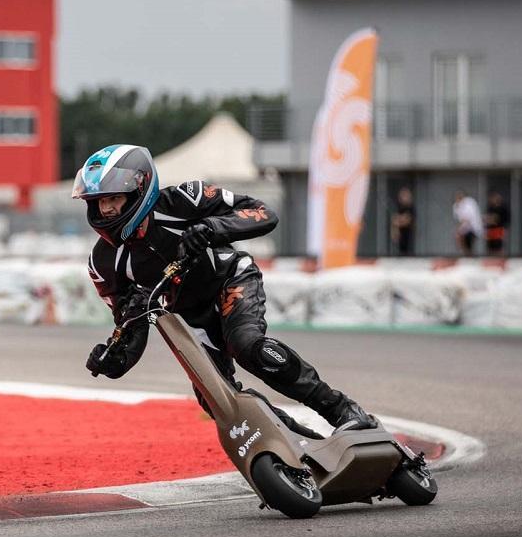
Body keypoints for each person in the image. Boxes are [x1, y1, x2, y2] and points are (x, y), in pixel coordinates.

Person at [73, 143, 377, 436]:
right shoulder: (101, 264)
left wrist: (211, 229)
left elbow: (262, 212)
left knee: (247, 346)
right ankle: (299, 443)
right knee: (215, 397)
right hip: (191, 320)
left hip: (230, 280)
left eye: (114, 198)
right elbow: (130, 326)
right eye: (100, 201)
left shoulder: (183, 199)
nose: (107, 210)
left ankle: (343, 410)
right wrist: (116, 361)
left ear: (140, 189)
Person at [452, 190, 483, 257]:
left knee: (468, 243)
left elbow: (468, 219)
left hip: (473, 228)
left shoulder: (469, 203)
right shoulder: (456, 206)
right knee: (463, 241)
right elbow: (459, 219)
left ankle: (469, 256)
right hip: (465, 228)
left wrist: (458, 230)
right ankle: (465, 254)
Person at [484, 191, 510, 256]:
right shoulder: (490, 207)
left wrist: (495, 220)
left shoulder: (503, 208)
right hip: (491, 230)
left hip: (499, 229)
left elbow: (505, 219)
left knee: (499, 245)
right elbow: (488, 218)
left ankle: (500, 259)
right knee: (490, 246)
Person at [391, 187, 416, 256]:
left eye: (405, 195)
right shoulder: (399, 208)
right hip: (400, 244)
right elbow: (394, 222)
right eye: (401, 195)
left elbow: (406, 220)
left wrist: (397, 220)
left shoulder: (411, 208)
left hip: (410, 244)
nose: (403, 198)